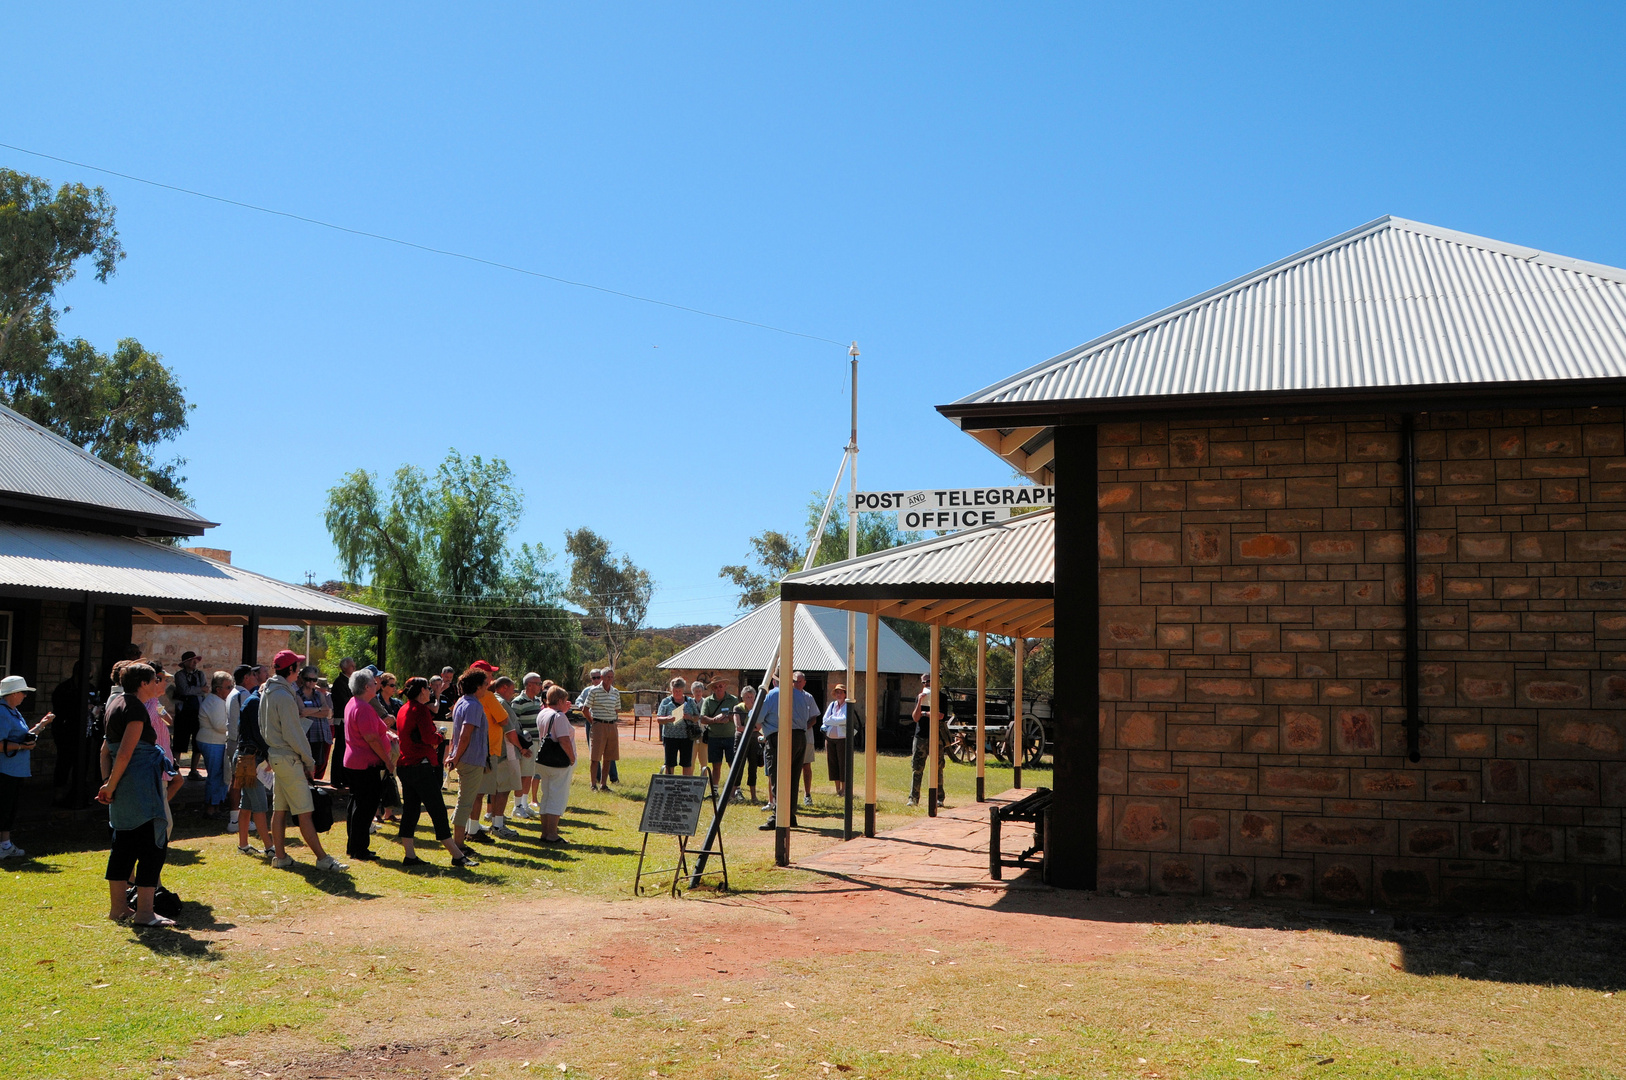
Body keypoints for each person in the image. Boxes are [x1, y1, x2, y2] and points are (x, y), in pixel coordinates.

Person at [96, 662, 172, 926]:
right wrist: (111, 785)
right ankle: (144, 913)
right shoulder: (135, 707)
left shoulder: (115, 703)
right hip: (138, 789)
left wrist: (108, 782)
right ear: (143, 683)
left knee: (123, 846)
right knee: (152, 847)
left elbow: (106, 751)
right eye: (154, 680)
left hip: (122, 791)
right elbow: (127, 752)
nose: (157, 684)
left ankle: (119, 909)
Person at [260, 649, 347, 871]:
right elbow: (293, 733)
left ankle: (280, 857)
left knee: (279, 810)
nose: (299, 672)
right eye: (297, 667)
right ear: (291, 670)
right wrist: (308, 760)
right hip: (288, 757)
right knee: (305, 811)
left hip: (278, 755)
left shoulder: (269, 692)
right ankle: (322, 858)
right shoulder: (283, 695)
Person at [395, 676, 473, 867]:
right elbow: (429, 737)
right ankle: (456, 855)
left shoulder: (404, 708)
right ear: (422, 691)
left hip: (406, 766)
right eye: (427, 689)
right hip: (420, 767)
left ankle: (410, 855)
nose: (430, 691)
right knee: (437, 810)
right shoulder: (420, 710)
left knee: (410, 811)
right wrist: (440, 736)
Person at [341, 670, 396, 861]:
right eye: (374, 683)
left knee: (357, 803)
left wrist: (388, 735)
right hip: (364, 763)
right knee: (366, 805)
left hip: (355, 761)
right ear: (366, 686)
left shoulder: (354, 703)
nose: (377, 685)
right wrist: (388, 761)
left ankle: (355, 846)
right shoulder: (363, 707)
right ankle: (359, 848)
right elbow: (371, 738)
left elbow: (374, 731)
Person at [0, 675, 54, 859]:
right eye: (23, 692)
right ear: (13, 694)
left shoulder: (13, 711)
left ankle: (5, 845)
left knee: (10, 808)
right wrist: (22, 747)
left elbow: (23, 735)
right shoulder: (2, 712)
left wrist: (41, 725)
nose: (25, 696)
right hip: (4, 770)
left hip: (14, 769)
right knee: (3, 807)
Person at [756, 672, 818, 829]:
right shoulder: (800, 695)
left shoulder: (773, 694)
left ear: (775, 680)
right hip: (799, 737)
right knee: (793, 777)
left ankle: (778, 816)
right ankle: (790, 814)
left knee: (778, 777)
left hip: (780, 737)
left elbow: (757, 717)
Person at [447, 668, 491, 852]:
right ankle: (458, 844)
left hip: (465, 757)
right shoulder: (473, 705)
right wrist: (455, 757)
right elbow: (465, 734)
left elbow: (455, 734)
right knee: (465, 802)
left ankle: (458, 841)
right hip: (471, 759)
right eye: (485, 685)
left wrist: (453, 754)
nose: (487, 689)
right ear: (478, 686)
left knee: (464, 800)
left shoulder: (461, 702)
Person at [484, 676, 530, 838]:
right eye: (512, 689)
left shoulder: (493, 700)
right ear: (503, 688)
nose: (513, 693)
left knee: (499, 788)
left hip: (499, 751)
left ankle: (496, 821)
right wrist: (522, 748)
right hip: (506, 752)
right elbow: (509, 731)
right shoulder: (501, 702)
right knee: (504, 788)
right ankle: (498, 825)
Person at [230, 665, 270, 856]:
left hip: (246, 756)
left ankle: (243, 845)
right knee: (260, 805)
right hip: (249, 758)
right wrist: (270, 754)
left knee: (246, 803)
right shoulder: (255, 703)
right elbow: (258, 734)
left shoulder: (254, 701)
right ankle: (270, 847)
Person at [533, 686, 576, 844]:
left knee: (546, 796)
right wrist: (571, 758)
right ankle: (552, 834)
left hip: (544, 760)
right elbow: (564, 739)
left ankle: (546, 832)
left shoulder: (543, 713)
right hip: (558, 762)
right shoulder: (559, 717)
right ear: (559, 701)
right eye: (564, 701)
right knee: (557, 798)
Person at [509, 673, 546, 820]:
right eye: (538, 683)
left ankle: (524, 804)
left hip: (536, 742)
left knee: (529, 774)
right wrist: (521, 746)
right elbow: (514, 725)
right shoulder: (518, 702)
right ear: (529, 684)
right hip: (525, 744)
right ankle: (517, 806)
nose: (540, 686)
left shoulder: (537, 701)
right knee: (522, 775)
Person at [909, 671, 949, 808]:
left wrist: (925, 713)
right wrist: (920, 701)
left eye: (929, 681)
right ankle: (913, 798)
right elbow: (915, 717)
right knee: (917, 768)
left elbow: (940, 716)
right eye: (924, 682)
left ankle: (939, 798)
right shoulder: (920, 697)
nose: (926, 684)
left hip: (936, 737)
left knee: (938, 767)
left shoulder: (941, 697)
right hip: (920, 736)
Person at [196, 671, 233, 816]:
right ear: (218, 689)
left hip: (217, 742)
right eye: (228, 687)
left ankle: (218, 803)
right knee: (215, 775)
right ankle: (211, 806)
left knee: (223, 774)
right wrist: (236, 725)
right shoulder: (214, 702)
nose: (231, 690)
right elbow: (219, 725)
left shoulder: (219, 701)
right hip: (212, 742)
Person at [580, 667, 622, 790]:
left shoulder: (615, 692)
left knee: (608, 757)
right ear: (602, 678)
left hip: (612, 725)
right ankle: (593, 784)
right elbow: (585, 709)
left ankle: (604, 784)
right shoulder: (594, 691)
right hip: (599, 725)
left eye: (612, 677)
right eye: (608, 677)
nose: (610, 679)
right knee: (595, 757)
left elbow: (617, 709)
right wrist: (593, 722)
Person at [48, 661, 83, 806]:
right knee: (64, 762)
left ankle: (77, 793)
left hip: (82, 734)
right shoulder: (64, 689)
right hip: (65, 731)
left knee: (80, 764)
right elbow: (59, 710)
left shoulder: (89, 688)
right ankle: (58, 793)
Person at [701, 677, 740, 801]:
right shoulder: (708, 701)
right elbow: (702, 718)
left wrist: (728, 718)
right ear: (713, 688)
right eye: (716, 687)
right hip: (714, 737)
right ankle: (715, 791)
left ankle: (736, 791)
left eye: (720, 686)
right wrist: (714, 720)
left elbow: (738, 716)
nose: (719, 689)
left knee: (732, 764)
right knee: (716, 765)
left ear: (725, 686)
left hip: (730, 737)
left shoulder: (733, 700)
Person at [657, 677, 702, 776]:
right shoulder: (666, 702)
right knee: (669, 763)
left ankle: (685, 785)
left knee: (686, 764)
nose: (677, 693)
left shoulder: (690, 701)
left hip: (686, 737)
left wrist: (689, 717)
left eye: (679, 691)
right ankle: (669, 784)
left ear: (683, 690)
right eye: (675, 691)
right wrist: (668, 719)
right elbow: (659, 719)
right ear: (671, 690)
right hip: (670, 737)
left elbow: (697, 717)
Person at [297, 666, 334, 780]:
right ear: (303, 679)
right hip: (304, 735)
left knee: (314, 765)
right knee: (303, 765)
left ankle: (312, 788)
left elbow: (326, 712)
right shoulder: (297, 694)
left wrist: (311, 711)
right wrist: (319, 709)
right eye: (308, 679)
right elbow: (302, 711)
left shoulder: (319, 694)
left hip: (318, 735)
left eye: (314, 680)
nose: (311, 682)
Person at [821, 684, 857, 798]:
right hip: (830, 739)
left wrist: (832, 720)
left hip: (843, 739)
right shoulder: (832, 705)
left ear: (845, 694)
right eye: (837, 692)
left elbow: (846, 719)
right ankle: (837, 789)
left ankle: (844, 789)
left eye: (841, 692)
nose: (839, 694)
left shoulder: (848, 706)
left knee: (843, 763)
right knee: (833, 763)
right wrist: (834, 721)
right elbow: (825, 719)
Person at [329, 657, 356, 788]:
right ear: (345, 668)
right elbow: (345, 702)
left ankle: (345, 777)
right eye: (352, 666)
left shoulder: (350, 681)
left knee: (347, 749)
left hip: (348, 720)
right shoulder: (340, 683)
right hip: (342, 720)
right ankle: (336, 778)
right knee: (340, 749)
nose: (354, 668)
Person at [733, 685, 761, 804]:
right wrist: (752, 728)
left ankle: (754, 796)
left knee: (753, 767)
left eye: (751, 696)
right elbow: (738, 727)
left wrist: (748, 728)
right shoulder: (738, 708)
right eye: (747, 697)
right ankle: (732, 794)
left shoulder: (758, 708)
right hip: (740, 740)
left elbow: (759, 726)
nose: (750, 699)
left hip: (754, 741)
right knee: (738, 766)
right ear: (742, 697)